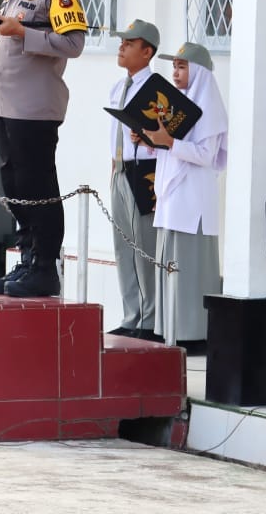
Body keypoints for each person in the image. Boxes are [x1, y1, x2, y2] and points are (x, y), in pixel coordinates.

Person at [0, 0, 87, 298]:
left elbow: (74, 44)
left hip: (36, 109)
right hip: (11, 108)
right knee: (14, 186)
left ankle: (45, 267)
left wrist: (24, 31)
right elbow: (5, 58)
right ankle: (27, 259)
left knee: (37, 185)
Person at [145, 42, 227, 352]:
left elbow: (206, 155)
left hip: (193, 199)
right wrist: (153, 141)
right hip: (172, 196)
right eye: (174, 66)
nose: (176, 72)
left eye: (182, 66)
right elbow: (171, 147)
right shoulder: (176, 106)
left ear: (199, 71)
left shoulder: (210, 107)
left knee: (190, 264)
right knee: (170, 260)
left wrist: (169, 143)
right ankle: (171, 328)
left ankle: (194, 332)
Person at [105, 20, 162, 341]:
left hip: (145, 172)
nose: (122, 47)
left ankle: (150, 318)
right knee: (123, 245)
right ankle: (131, 315)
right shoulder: (119, 87)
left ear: (147, 51)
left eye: (129, 43)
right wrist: (112, 169)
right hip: (121, 170)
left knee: (144, 245)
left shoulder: (156, 89)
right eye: (121, 42)